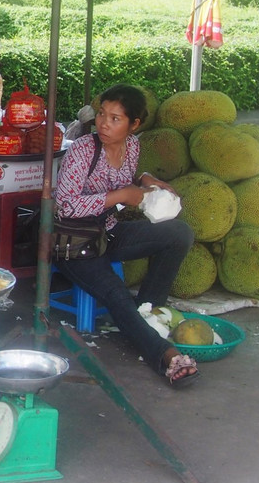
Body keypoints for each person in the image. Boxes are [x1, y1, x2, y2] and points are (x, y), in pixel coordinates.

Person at [54, 84, 199, 387]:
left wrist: (145, 180)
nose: (104, 124)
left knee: (179, 233)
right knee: (117, 294)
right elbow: (65, 206)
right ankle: (165, 355)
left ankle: (149, 311)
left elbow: (125, 178)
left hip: (109, 232)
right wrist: (120, 195)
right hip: (75, 244)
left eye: (115, 118)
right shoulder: (83, 149)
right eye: (102, 115)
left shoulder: (132, 146)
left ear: (134, 124)